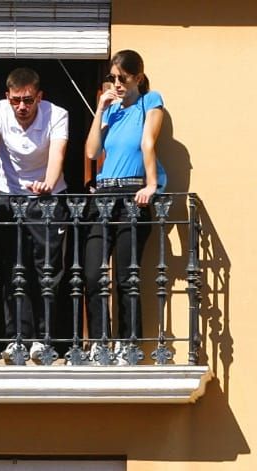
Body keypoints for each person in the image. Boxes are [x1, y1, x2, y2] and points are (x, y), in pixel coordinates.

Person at [0, 66, 69, 360]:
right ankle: (18, 338)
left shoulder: (57, 113)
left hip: (48, 197)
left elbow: (58, 154)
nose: (22, 106)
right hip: (8, 196)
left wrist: (48, 185)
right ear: (8, 96)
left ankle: (45, 339)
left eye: (28, 100)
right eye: (16, 100)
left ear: (39, 96)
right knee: (13, 270)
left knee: (48, 272)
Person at [81, 49, 167, 357]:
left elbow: (148, 142)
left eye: (123, 78)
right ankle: (101, 341)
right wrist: (100, 110)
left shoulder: (150, 101)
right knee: (92, 272)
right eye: (112, 78)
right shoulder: (112, 110)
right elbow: (92, 152)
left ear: (138, 78)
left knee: (125, 275)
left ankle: (128, 343)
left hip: (133, 193)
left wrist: (152, 185)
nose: (116, 84)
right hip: (104, 193)